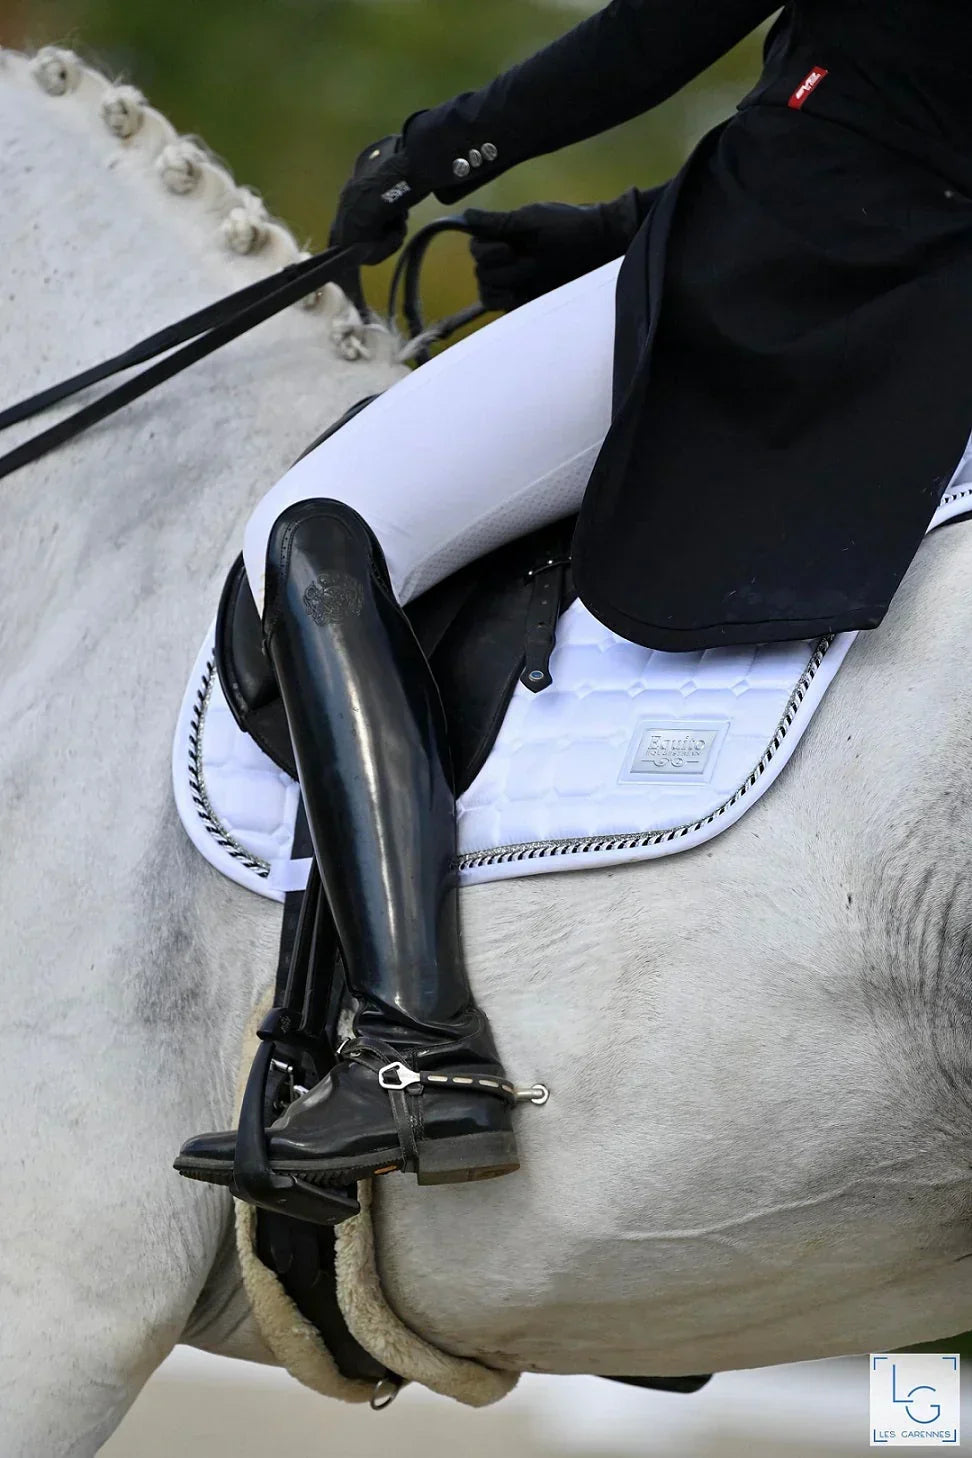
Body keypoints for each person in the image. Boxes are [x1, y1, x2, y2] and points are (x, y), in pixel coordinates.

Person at [177, 0, 972, 1212]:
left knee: (321, 527)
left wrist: (429, 152)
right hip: (906, 278)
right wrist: (617, 230)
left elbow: (668, 32)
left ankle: (413, 1044)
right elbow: (894, 93)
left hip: (799, 276)